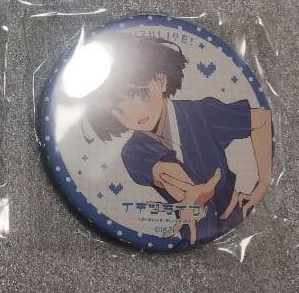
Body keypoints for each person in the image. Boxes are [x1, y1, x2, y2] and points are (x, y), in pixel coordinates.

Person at [81, 32, 273, 245]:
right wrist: (191, 195)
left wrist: (261, 185)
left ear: (161, 80)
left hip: (234, 211)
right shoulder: (132, 152)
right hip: (191, 230)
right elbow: (164, 172)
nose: (134, 115)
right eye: (118, 110)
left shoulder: (201, 114)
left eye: (140, 95)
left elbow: (262, 119)